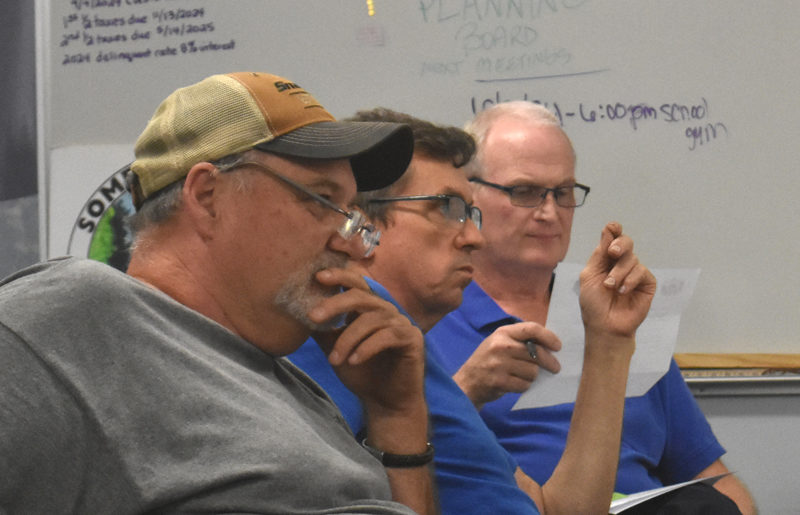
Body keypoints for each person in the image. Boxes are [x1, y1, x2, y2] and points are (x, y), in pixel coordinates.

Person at [0, 72, 437, 514]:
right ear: (208, 195)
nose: (352, 243)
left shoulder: (292, 386)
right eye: (323, 201)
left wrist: (395, 418)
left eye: (352, 215)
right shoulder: (73, 314)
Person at [290, 108, 658, 514]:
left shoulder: (411, 349)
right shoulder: (329, 336)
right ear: (360, 226)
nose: (473, 238)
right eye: (447, 209)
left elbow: (558, 511)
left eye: (470, 213)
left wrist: (609, 339)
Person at [427, 100, 757, 514]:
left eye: (563, 193)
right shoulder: (430, 317)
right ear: (468, 195)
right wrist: (464, 392)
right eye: (525, 192)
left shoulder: (615, 313)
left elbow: (713, 477)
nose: (549, 213)